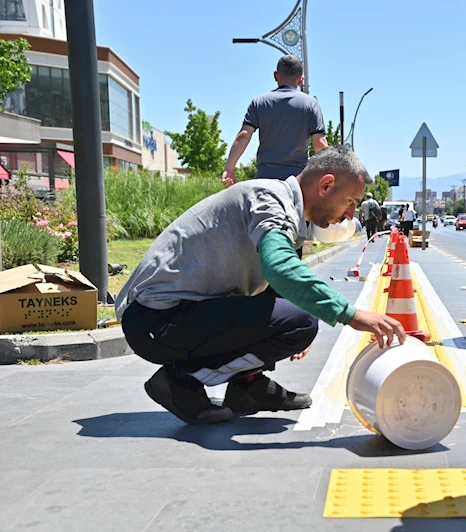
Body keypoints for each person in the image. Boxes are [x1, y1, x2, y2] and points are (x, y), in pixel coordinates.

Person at [116, 146, 405, 426]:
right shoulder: (270, 200)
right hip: (155, 321)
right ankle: (181, 381)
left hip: (170, 315)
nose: (350, 216)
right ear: (326, 185)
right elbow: (279, 266)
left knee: (295, 318)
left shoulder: (281, 204)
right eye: (351, 202)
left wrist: (298, 316)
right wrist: (350, 315)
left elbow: (271, 281)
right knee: (299, 321)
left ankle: (246, 387)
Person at [221, 55, 328, 187]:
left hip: (265, 179)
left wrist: (229, 169)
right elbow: (319, 142)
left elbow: (244, 135)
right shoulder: (311, 104)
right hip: (296, 181)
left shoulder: (259, 102)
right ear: (301, 80)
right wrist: (326, 174)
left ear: (276, 76)